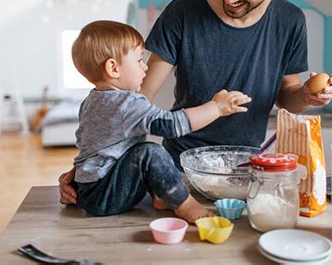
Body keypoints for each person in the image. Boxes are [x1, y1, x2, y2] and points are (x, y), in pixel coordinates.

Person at [59, 0, 332, 205]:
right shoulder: (182, 12)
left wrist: (307, 95)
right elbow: (135, 101)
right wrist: (95, 167)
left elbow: (288, 97)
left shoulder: (290, 20)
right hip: (178, 171)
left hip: (246, 169)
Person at [69, 20, 250, 222]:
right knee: (150, 152)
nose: (145, 67)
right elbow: (171, 125)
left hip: (88, 189)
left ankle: (163, 196)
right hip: (104, 195)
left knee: (138, 151)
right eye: (138, 60)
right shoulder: (127, 103)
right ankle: (185, 205)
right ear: (113, 68)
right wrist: (216, 108)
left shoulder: (91, 101)